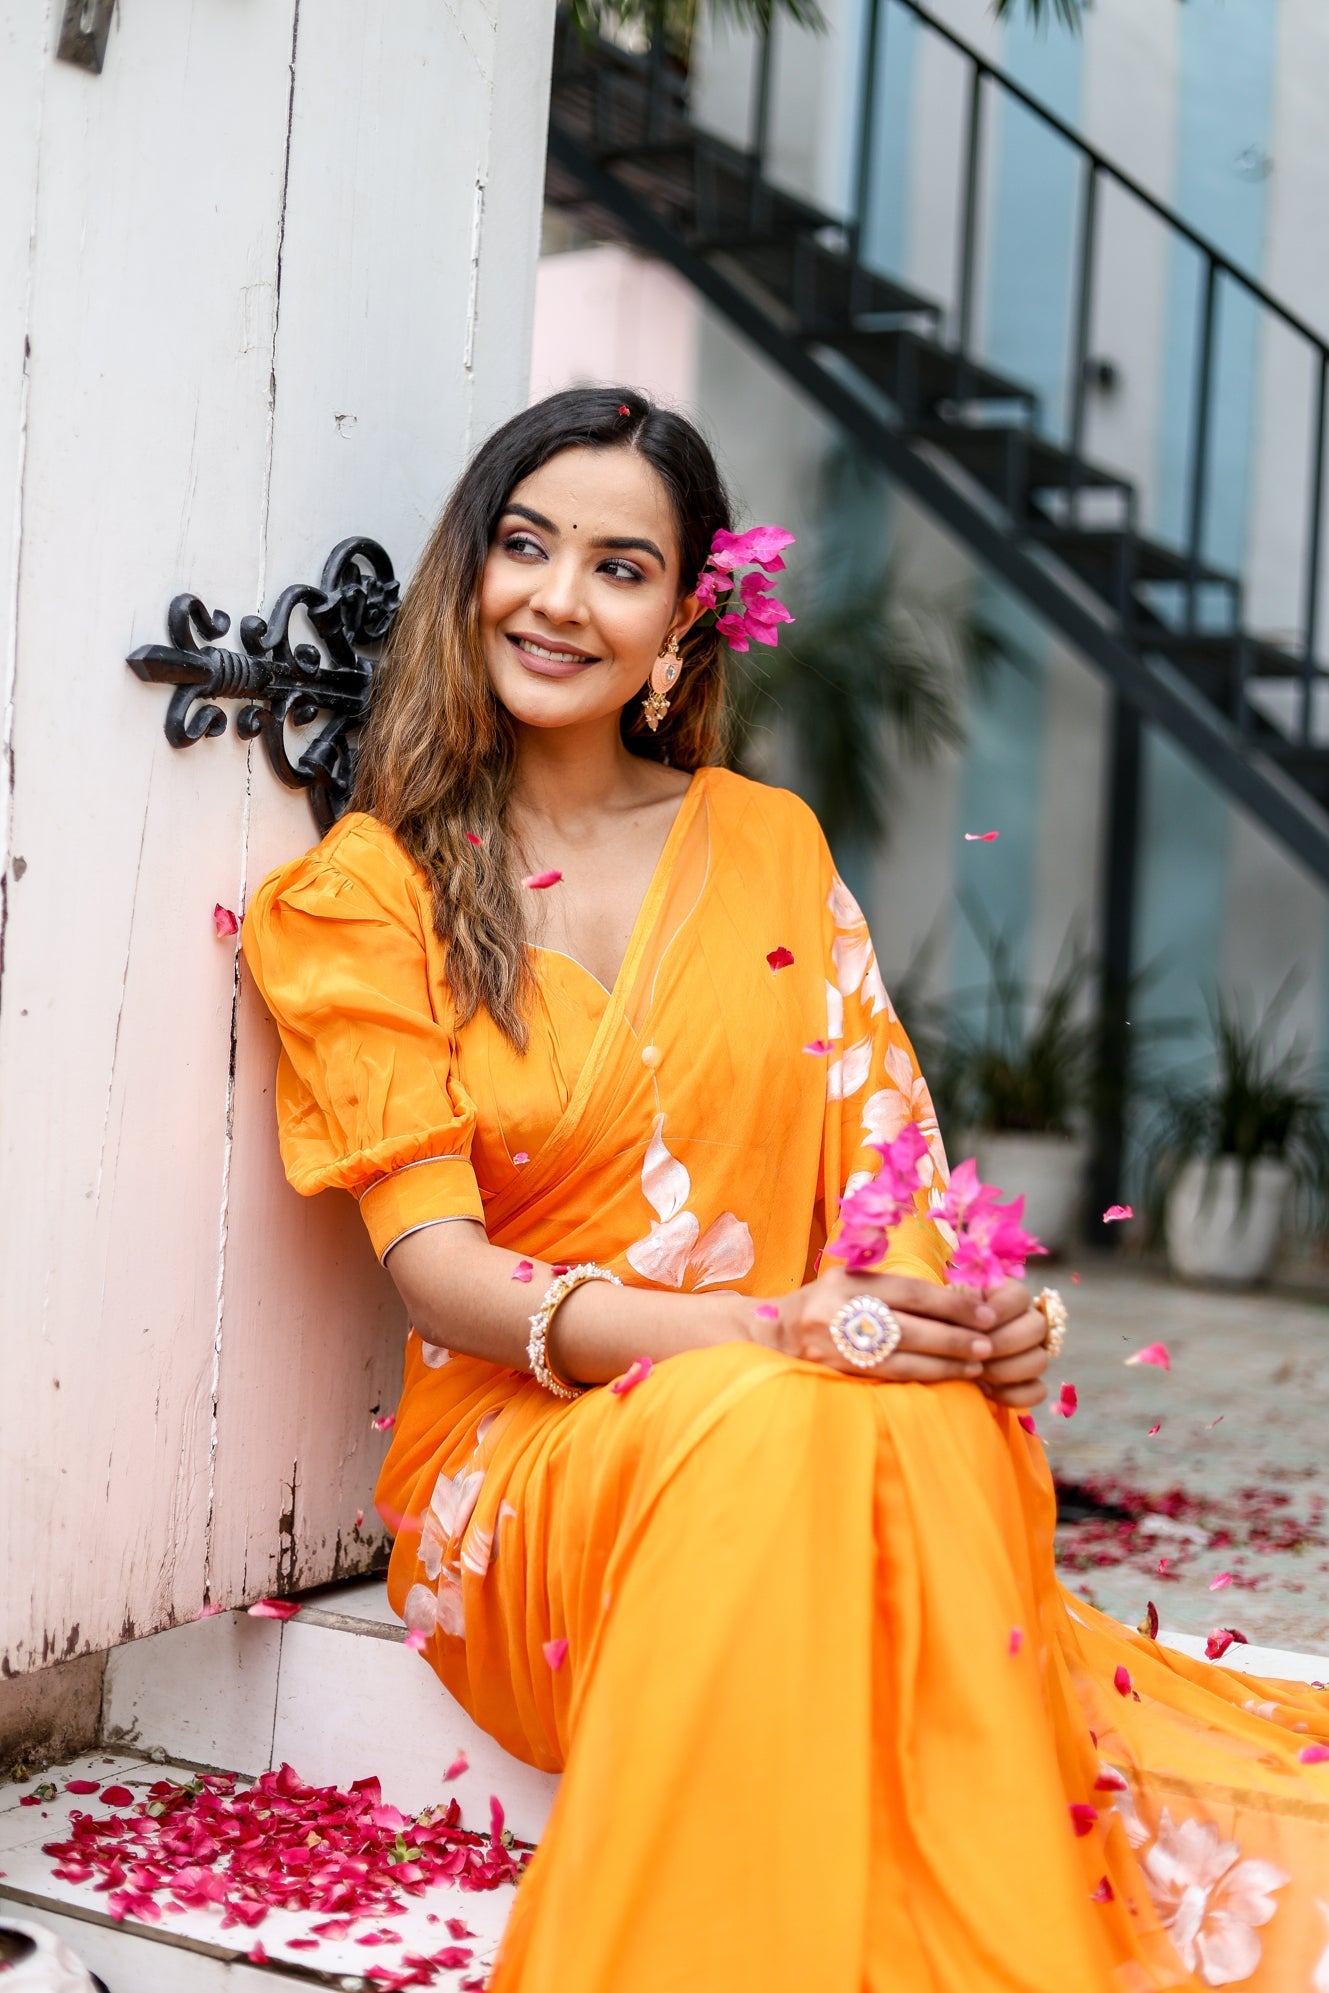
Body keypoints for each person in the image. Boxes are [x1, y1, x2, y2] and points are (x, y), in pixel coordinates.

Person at [242, 387, 1329, 1992]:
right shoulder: (364, 894)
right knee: (783, 1412)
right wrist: (768, 1327)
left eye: (618, 567)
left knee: (894, 1410)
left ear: (680, 627)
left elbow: (893, 1182)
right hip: (531, 1461)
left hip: (808, 1386)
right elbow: (438, 1276)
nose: (557, 598)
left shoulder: (764, 840)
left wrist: (968, 1322)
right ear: (464, 572)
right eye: (525, 545)